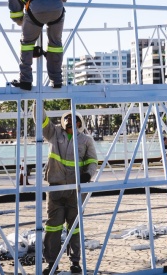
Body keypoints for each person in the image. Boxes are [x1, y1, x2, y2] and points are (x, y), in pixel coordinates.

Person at [38, 106, 98, 275]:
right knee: (53, 227)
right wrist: (38, 102)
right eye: (67, 119)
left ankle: (75, 262)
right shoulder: (54, 134)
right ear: (62, 122)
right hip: (56, 189)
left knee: (75, 227)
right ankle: (52, 263)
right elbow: (42, 121)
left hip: (76, 191)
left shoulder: (86, 140)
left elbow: (93, 160)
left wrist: (88, 174)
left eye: (74, 119)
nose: (71, 121)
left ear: (80, 122)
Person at [8, 0, 69, 90]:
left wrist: (26, 25)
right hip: (57, 9)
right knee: (55, 44)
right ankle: (56, 81)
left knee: (26, 44)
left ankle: (25, 81)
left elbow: (16, 16)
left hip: (36, 11)